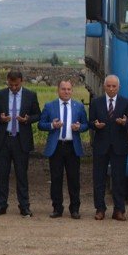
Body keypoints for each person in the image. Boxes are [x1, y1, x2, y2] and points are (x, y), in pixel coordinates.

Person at [0, 70, 41, 218]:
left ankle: (24, 206)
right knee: (2, 175)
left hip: (21, 140)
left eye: (16, 85)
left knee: (21, 175)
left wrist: (27, 119)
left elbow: (38, 114)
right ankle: (1, 205)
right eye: (10, 85)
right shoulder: (0, 95)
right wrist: (0, 117)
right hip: (3, 139)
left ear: (21, 81)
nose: (13, 88)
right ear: (7, 81)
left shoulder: (30, 95)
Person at [38, 79, 89, 219]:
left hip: (72, 147)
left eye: (69, 89)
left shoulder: (78, 106)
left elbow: (86, 125)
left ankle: (75, 209)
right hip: (57, 147)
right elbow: (40, 124)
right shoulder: (49, 106)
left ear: (72, 90)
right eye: (63, 89)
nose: (66, 92)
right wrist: (51, 125)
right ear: (58, 90)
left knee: (74, 179)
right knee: (56, 179)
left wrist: (79, 127)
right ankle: (57, 208)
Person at [89, 75, 128, 221]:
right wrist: (95, 125)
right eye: (109, 86)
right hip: (101, 145)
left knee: (119, 179)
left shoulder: (125, 102)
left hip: (119, 146)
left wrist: (125, 122)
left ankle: (119, 210)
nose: (111, 88)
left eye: (114, 86)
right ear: (104, 86)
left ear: (118, 87)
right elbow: (90, 122)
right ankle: (100, 209)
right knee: (99, 178)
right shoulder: (96, 102)